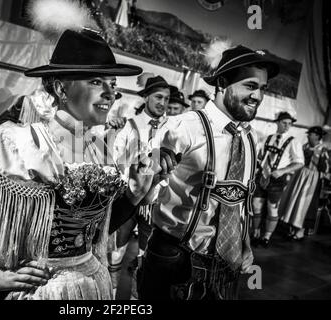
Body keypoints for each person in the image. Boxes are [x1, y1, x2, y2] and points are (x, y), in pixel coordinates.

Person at [0, 24, 155, 300]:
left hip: (92, 286)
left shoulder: (98, 148)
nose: (110, 93)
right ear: (61, 88)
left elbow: (93, 232)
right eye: (96, 82)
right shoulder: (18, 142)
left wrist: (133, 195)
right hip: (42, 290)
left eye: (112, 84)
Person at [137, 45, 280, 300]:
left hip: (225, 262)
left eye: (262, 88)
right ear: (222, 82)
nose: (258, 96)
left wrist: (245, 244)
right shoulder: (185, 126)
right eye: (250, 85)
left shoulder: (250, 138)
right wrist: (150, 169)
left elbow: (239, 201)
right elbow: (142, 187)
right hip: (174, 257)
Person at [109, 75, 170, 298]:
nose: (163, 102)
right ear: (146, 97)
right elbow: (116, 160)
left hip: (153, 202)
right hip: (128, 197)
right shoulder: (129, 124)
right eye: (158, 97)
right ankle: (111, 295)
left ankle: (137, 300)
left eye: (166, 98)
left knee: (145, 257)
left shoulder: (171, 128)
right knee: (116, 253)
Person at [251, 112, 304, 247]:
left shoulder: (293, 141)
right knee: (256, 206)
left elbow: (299, 163)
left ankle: (266, 237)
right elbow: (260, 156)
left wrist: (282, 171)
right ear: (277, 123)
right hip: (262, 177)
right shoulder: (268, 138)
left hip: (277, 180)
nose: (287, 126)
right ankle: (255, 233)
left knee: (271, 209)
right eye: (284, 123)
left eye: (289, 123)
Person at [280, 126, 329, 239]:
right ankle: (292, 227)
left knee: (305, 203)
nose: (308, 136)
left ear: (317, 136)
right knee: (295, 200)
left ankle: (300, 230)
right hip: (300, 175)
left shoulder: (323, 150)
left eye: (310, 134)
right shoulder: (304, 146)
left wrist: (316, 156)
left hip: (312, 178)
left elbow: (325, 168)